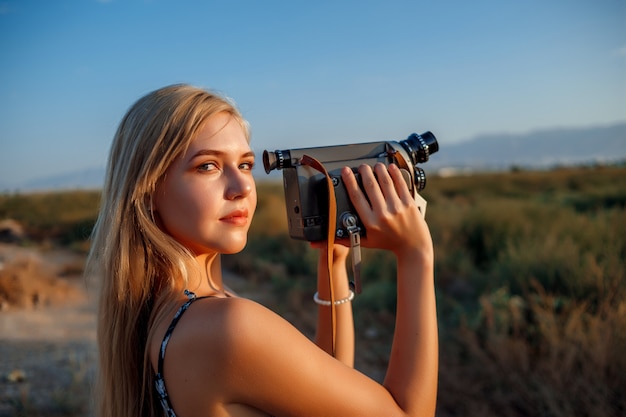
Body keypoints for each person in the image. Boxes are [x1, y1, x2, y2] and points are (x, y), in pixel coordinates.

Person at [86, 84, 438, 417]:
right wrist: (415, 254)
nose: (241, 186)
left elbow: (322, 391)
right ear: (148, 193)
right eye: (207, 165)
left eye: (245, 165)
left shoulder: (171, 310)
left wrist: (332, 263)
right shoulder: (226, 326)